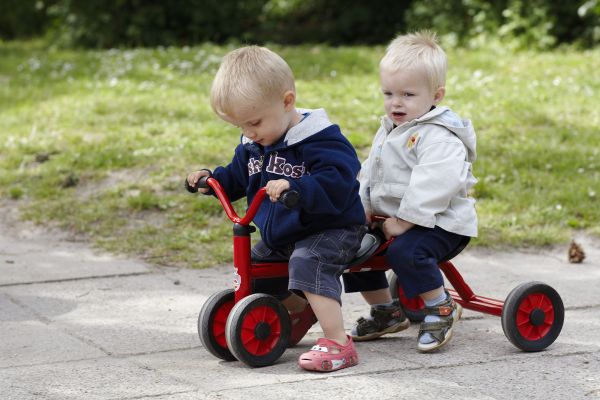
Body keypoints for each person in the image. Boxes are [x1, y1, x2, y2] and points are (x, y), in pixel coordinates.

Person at [186, 45, 366, 371]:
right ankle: (295, 311)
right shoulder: (255, 143)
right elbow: (238, 175)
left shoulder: (320, 139)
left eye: (254, 122)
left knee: (308, 261)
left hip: (331, 227)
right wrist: (213, 181)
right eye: (240, 126)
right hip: (287, 232)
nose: (248, 133)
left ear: (287, 101)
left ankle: (339, 342)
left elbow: (340, 179)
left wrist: (298, 187)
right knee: (255, 269)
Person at [342, 31, 478, 352]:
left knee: (406, 252)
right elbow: (371, 171)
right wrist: (362, 206)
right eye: (388, 93)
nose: (396, 102)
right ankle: (386, 311)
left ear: (436, 95)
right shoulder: (391, 129)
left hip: (442, 223)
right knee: (350, 247)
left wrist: (404, 221)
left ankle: (442, 307)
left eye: (407, 94)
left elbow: (434, 183)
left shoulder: (439, 137)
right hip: (396, 220)